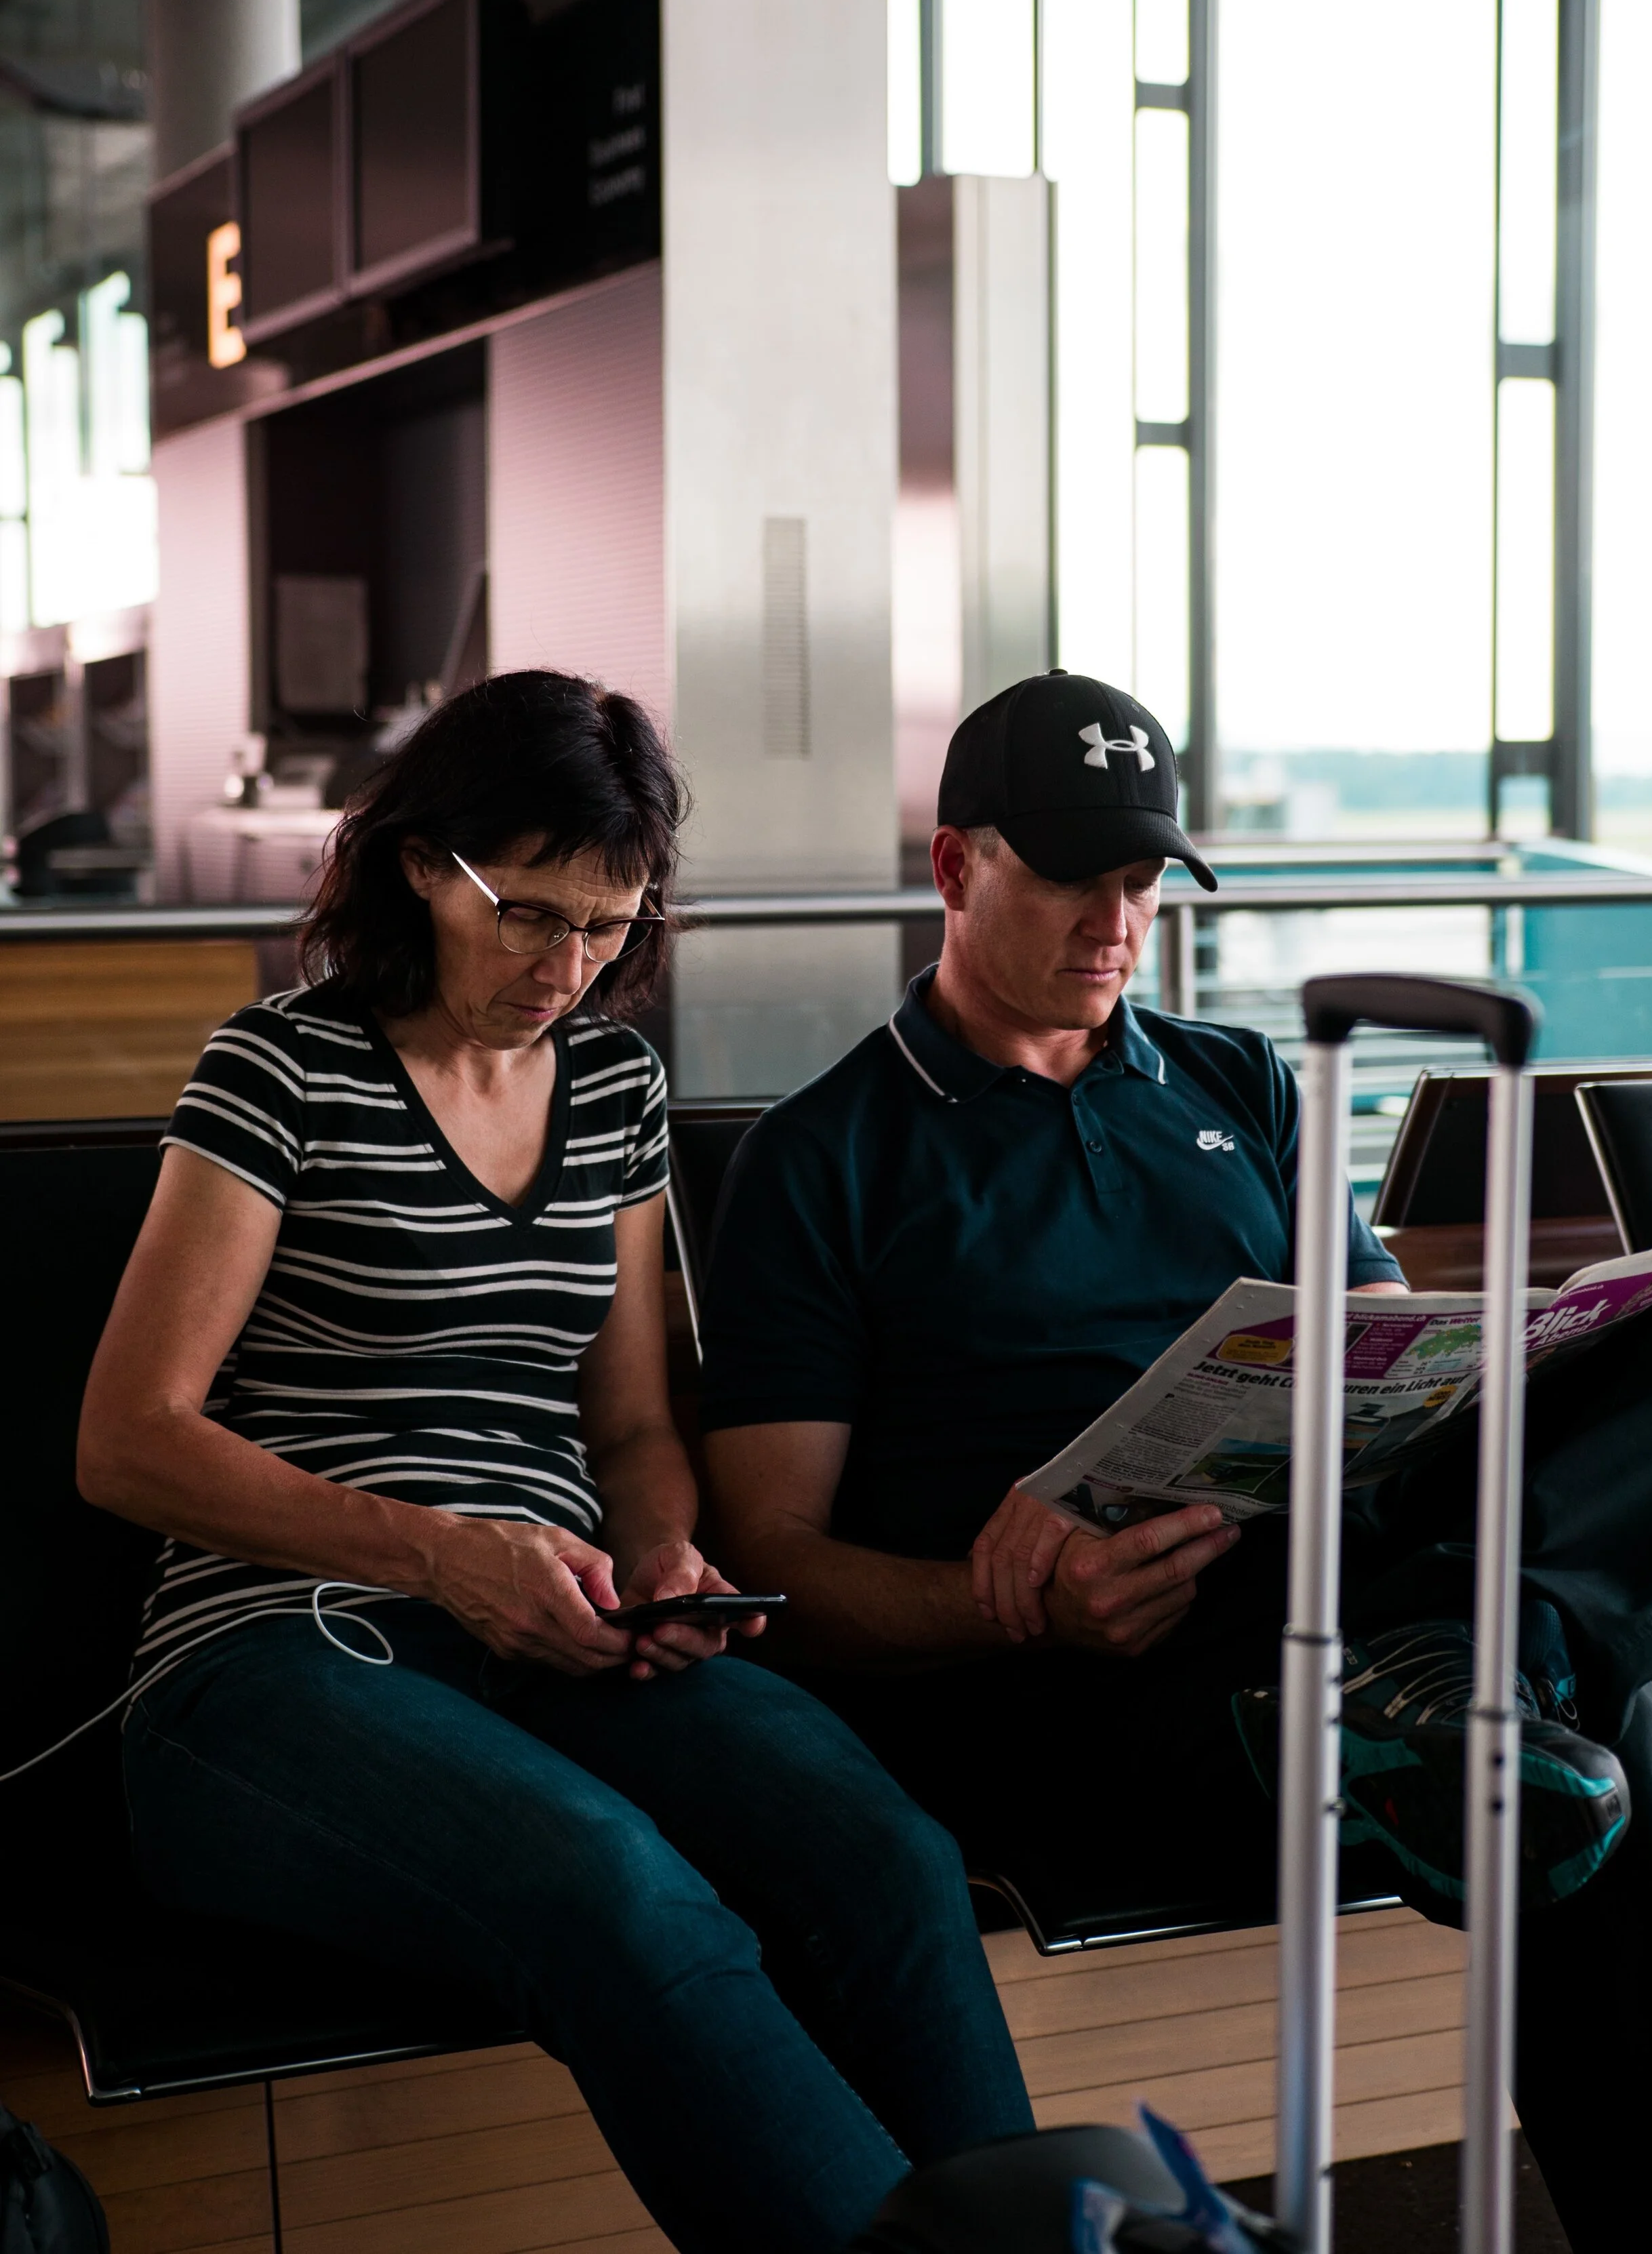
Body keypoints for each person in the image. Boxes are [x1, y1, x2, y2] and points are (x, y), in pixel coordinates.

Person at [699, 666, 1652, 2254]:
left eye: (1145, 876)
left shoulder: (1238, 1084)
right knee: (1601, 1729)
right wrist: (1006, 1603)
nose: (1118, 914)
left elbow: (1392, 1372)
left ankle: (1473, 1671)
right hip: (1085, 1692)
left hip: (1336, 1597)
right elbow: (768, 1567)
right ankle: (1481, 1683)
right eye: (1076, 873)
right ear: (957, 869)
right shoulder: (821, 1159)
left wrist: (1491, 1367)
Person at [79, 670, 1032, 2254]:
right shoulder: (281, 1069)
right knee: (616, 1889)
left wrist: (662, 1554)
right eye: (524, 915)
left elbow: (634, 1430)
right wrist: (443, 1552)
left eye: (607, 926)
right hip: (268, 1660)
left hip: (554, 1627)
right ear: (415, 864)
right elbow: (126, 1442)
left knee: (886, 1859)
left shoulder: (612, 1088)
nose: (564, 968)